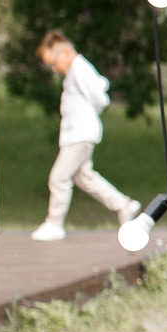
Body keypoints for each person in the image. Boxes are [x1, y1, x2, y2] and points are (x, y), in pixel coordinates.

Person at [31, 31, 139, 241]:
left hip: (79, 136)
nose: (54, 69)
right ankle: (124, 205)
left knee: (59, 178)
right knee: (84, 177)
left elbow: (101, 98)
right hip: (78, 135)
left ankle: (54, 223)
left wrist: (86, 119)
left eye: (53, 63)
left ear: (65, 52)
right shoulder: (75, 70)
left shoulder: (79, 68)